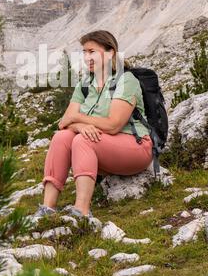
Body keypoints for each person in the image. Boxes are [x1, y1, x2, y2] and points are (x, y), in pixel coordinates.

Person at [32, 30, 153, 220]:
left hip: (136, 147)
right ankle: (47, 208)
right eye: (84, 52)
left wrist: (78, 119)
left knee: (82, 141)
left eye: (92, 52)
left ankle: (81, 212)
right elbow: (64, 123)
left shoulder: (125, 80)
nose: (87, 57)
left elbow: (113, 125)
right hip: (104, 147)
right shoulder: (85, 83)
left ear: (110, 52)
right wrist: (79, 126)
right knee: (61, 137)